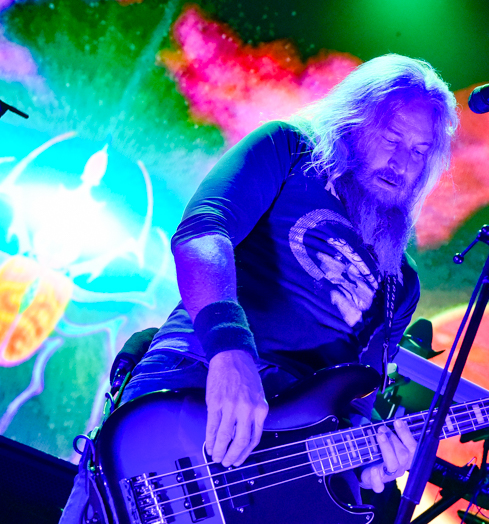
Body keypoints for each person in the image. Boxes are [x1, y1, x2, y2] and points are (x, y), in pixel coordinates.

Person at [121, 53, 458, 503]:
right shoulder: (289, 149)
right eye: (392, 136)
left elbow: (355, 397)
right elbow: (202, 232)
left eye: (419, 151)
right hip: (196, 383)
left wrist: (369, 454)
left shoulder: (402, 282)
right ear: (355, 121)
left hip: (276, 468)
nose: (402, 162)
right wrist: (230, 353)